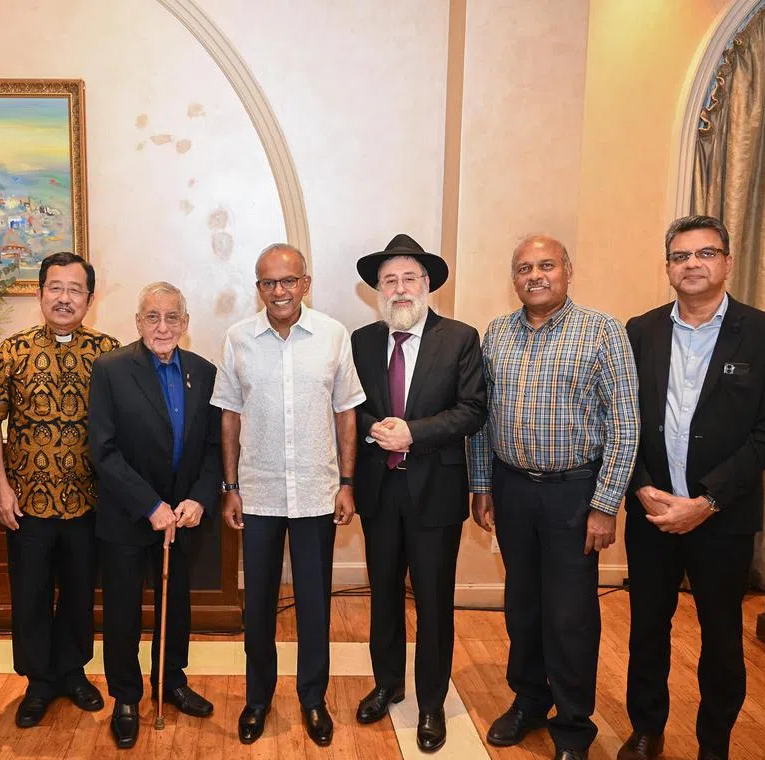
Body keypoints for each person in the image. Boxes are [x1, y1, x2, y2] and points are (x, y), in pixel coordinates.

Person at [617, 216, 765, 760]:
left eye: (705, 253)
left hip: (722, 519)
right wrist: (642, 487)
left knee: (722, 637)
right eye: (680, 256)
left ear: (727, 262)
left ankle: (713, 742)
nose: (692, 263)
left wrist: (708, 500)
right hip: (651, 513)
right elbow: (622, 419)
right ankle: (647, 728)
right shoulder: (640, 330)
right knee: (647, 628)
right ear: (668, 266)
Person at [468, 235, 640, 760]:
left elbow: (625, 424)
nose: (535, 275)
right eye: (524, 267)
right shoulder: (496, 334)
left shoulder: (602, 330)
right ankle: (528, 701)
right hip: (512, 488)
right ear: (513, 277)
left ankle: (572, 725)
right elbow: (480, 421)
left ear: (568, 271)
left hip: (575, 493)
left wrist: (605, 503)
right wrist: (481, 485)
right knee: (522, 604)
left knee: (570, 615)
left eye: (546, 265)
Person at [212, 243, 366, 748]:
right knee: (257, 605)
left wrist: (347, 482)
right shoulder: (237, 339)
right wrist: (230, 486)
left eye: (287, 280)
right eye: (267, 282)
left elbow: (347, 411)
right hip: (256, 493)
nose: (278, 291)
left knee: (314, 604)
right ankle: (258, 699)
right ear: (258, 288)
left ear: (305, 283)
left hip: (317, 493)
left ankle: (312, 698)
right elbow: (229, 415)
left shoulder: (332, 335)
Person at [350, 234, 487, 752]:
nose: (400, 288)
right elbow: (345, 403)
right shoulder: (361, 341)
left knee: (433, 601)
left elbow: (473, 408)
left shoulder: (459, 338)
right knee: (382, 594)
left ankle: (431, 702)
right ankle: (386, 684)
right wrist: (372, 428)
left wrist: (414, 432)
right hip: (380, 490)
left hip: (435, 492)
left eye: (409, 278)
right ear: (377, 291)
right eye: (390, 280)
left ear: (426, 285)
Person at [0, 252, 119, 727]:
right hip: (27, 503)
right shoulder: (12, 350)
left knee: (81, 593)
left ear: (90, 298)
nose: (65, 298)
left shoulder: (109, 351)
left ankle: (73, 672)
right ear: (40, 292)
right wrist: (0, 489)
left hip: (90, 503)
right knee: (32, 594)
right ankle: (39, 681)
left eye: (75, 289)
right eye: (55, 288)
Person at [88, 281, 223, 748]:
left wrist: (200, 499)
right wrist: (150, 505)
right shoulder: (109, 370)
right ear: (138, 321)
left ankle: (172, 681)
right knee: (123, 610)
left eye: (172, 318)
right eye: (152, 316)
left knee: (175, 606)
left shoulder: (205, 372)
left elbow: (213, 448)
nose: (162, 326)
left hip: (183, 517)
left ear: (185, 324)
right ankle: (126, 697)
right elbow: (102, 451)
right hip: (129, 516)